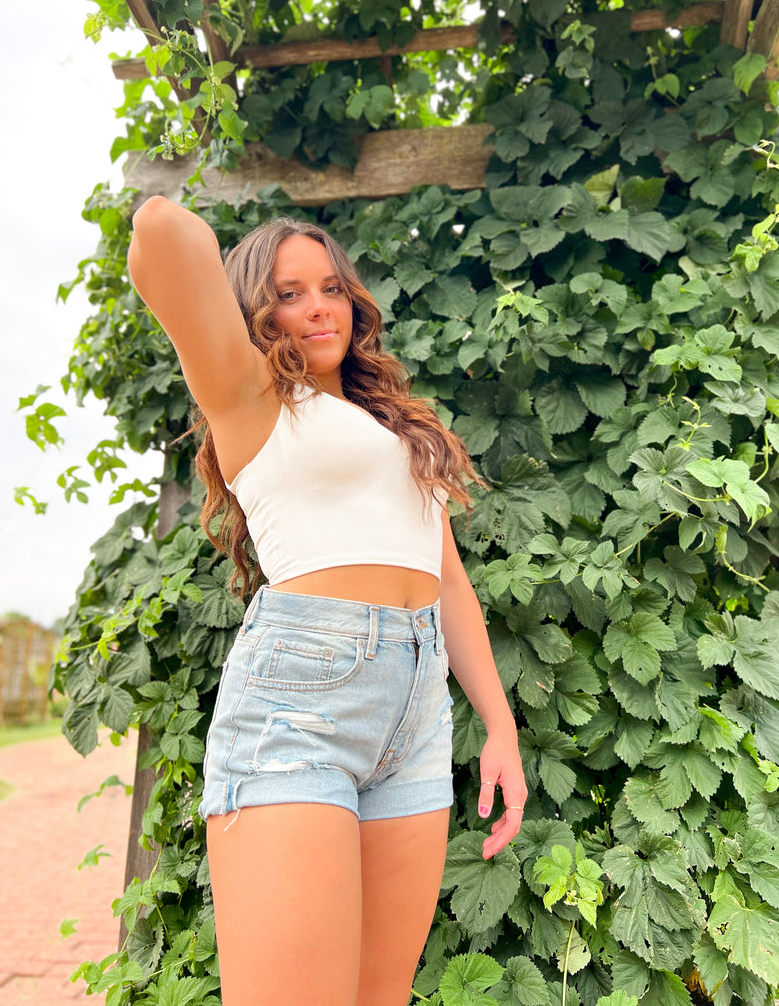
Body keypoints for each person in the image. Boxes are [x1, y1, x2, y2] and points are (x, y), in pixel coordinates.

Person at [127, 196, 526, 1006]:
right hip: (298, 708)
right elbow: (160, 231)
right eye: (288, 291)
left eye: (331, 287)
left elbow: (446, 577)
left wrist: (500, 724)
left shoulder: (394, 430)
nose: (317, 305)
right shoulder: (249, 399)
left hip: (415, 713)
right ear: (255, 315)